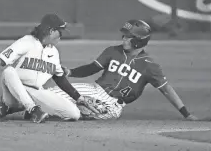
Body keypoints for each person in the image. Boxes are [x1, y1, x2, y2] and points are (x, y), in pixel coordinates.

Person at [49, 19, 198, 121]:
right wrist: (70, 72)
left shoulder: (149, 65)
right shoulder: (113, 51)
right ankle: (29, 110)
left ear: (139, 41)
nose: (124, 39)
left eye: (129, 37)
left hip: (114, 106)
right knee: (53, 94)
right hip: (95, 90)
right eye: (124, 36)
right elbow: (92, 68)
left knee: (78, 111)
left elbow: (166, 90)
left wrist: (186, 114)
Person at [0, 13, 105, 123]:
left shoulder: (54, 52)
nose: (61, 36)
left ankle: (12, 109)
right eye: (60, 32)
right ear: (51, 31)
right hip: (14, 91)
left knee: (74, 114)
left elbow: (60, 78)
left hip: (36, 93)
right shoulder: (27, 42)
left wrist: (79, 98)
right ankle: (31, 110)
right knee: (9, 71)